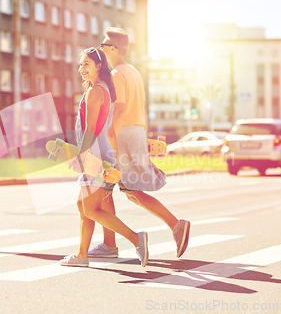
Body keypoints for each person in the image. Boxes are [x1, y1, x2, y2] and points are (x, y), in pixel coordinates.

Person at [88, 28, 191, 259]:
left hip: (123, 134)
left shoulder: (117, 74)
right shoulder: (133, 72)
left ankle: (110, 244)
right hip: (135, 132)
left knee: (109, 188)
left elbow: (121, 108)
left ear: (113, 49)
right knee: (127, 190)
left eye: (104, 45)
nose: (102, 48)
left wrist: (111, 142)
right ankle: (174, 226)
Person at [58, 47, 148, 267]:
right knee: (84, 207)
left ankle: (136, 238)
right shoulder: (104, 89)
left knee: (90, 209)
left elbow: (89, 129)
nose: (82, 69)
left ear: (99, 66)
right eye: (80, 65)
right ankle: (81, 255)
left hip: (94, 154)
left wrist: (81, 155)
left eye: (86, 64)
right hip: (100, 152)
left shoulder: (95, 91)